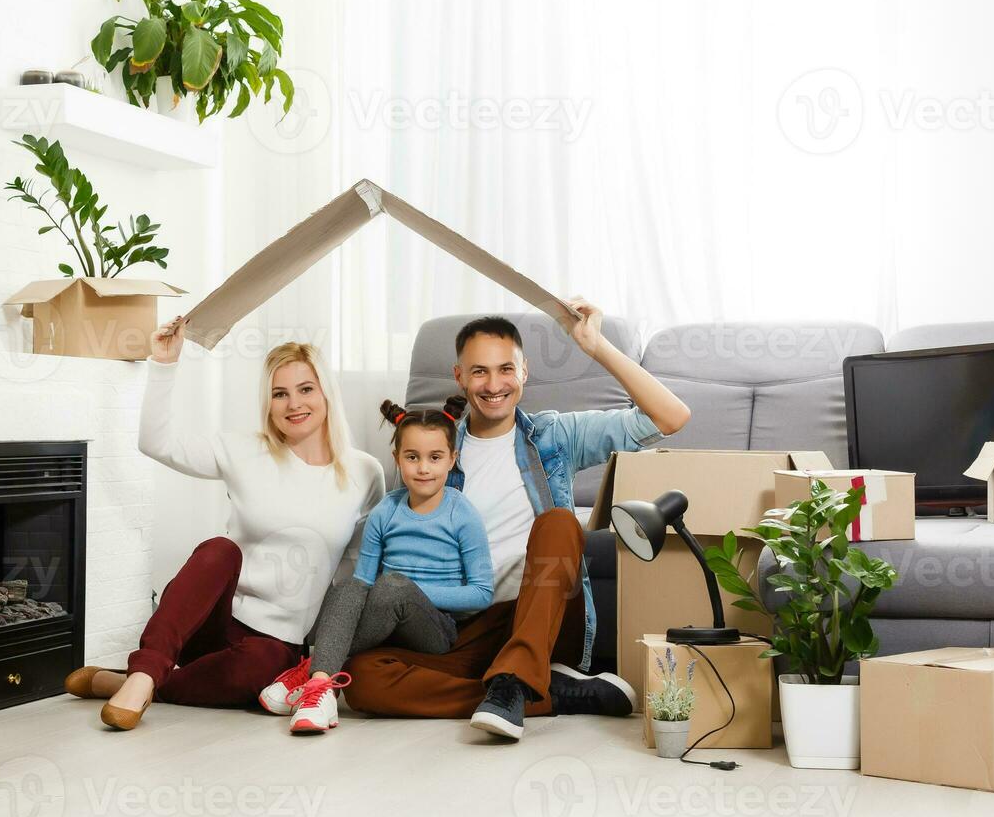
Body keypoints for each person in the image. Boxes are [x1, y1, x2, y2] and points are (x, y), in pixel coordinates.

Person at [343, 301, 691, 740]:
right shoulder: (432, 452)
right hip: (464, 630)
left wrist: (597, 347)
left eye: (506, 369)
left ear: (524, 372)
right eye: (479, 371)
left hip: (543, 621)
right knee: (362, 679)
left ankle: (518, 677)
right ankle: (544, 692)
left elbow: (670, 417)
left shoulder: (554, 436)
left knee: (559, 523)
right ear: (459, 377)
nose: (493, 385)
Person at [63, 317, 385, 730]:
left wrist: (322, 660)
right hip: (214, 622)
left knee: (260, 667)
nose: (294, 404)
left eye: (306, 389)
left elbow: (351, 573)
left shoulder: (364, 473)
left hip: (276, 643)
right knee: (220, 549)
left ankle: (126, 684)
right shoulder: (245, 451)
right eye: (279, 394)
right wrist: (165, 365)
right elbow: (155, 443)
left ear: (326, 393)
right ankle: (145, 674)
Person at [258, 395, 493, 734]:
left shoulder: (462, 514)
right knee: (351, 585)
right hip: (385, 620)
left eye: (435, 457)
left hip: (436, 630)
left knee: (391, 586)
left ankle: (312, 666)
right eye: (412, 457)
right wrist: (389, 588)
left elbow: (482, 594)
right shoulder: (386, 510)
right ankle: (320, 688)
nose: (423, 468)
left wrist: (413, 591)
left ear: (452, 459)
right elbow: (363, 583)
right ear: (397, 458)